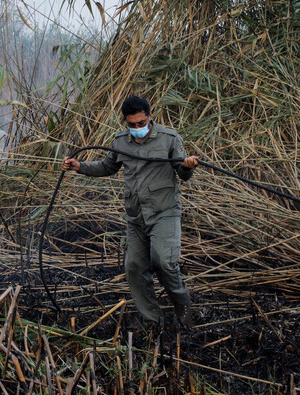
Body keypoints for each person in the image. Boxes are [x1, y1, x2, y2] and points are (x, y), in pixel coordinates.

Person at [62, 96, 199, 331]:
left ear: (149, 116)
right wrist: (79, 166)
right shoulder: (120, 142)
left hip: (164, 212)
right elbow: (107, 167)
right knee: (134, 266)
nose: (137, 128)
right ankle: (152, 320)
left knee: (164, 262)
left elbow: (182, 173)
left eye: (141, 123)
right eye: (131, 125)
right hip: (136, 216)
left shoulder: (169, 139)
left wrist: (187, 166)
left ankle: (183, 309)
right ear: (125, 122)